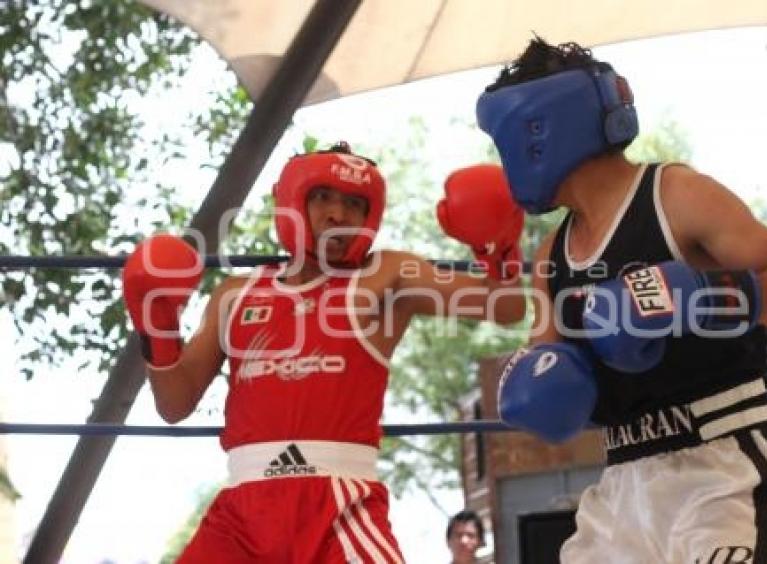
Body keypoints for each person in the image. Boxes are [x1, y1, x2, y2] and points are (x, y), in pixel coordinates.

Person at [483, 38, 767, 563]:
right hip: (623, 482)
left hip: (722, 462)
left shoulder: (675, 196)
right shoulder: (550, 257)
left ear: (537, 131)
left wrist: (697, 294)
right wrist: (537, 384)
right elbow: (553, 374)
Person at [121, 142, 526, 563]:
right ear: (291, 200)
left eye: (354, 204)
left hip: (340, 506)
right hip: (241, 514)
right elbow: (173, 403)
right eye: (323, 198)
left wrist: (498, 252)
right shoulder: (234, 296)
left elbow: (506, 306)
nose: (338, 215)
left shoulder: (384, 276)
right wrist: (157, 323)